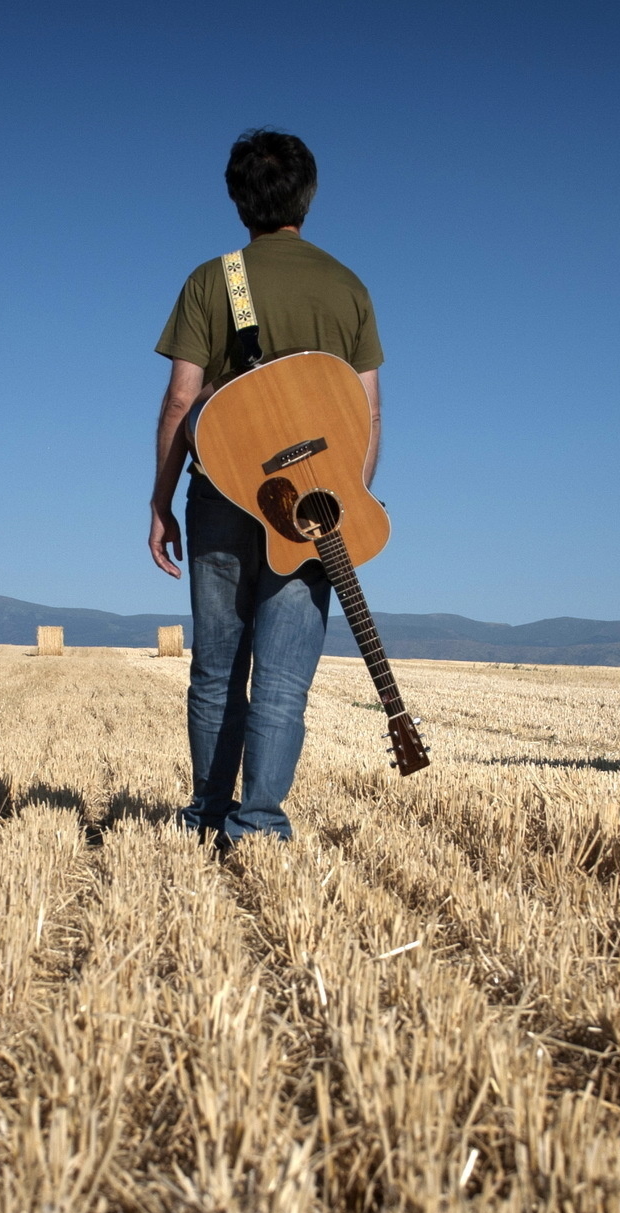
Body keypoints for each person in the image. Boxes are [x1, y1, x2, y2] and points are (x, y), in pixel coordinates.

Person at [149, 129, 384, 845]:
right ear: (307, 198)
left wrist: (160, 499)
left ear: (237, 198)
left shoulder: (210, 280)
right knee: (283, 681)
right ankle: (258, 825)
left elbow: (182, 404)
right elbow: (367, 412)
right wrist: (337, 504)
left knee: (217, 670)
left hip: (222, 494)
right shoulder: (347, 288)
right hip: (314, 509)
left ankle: (208, 816)